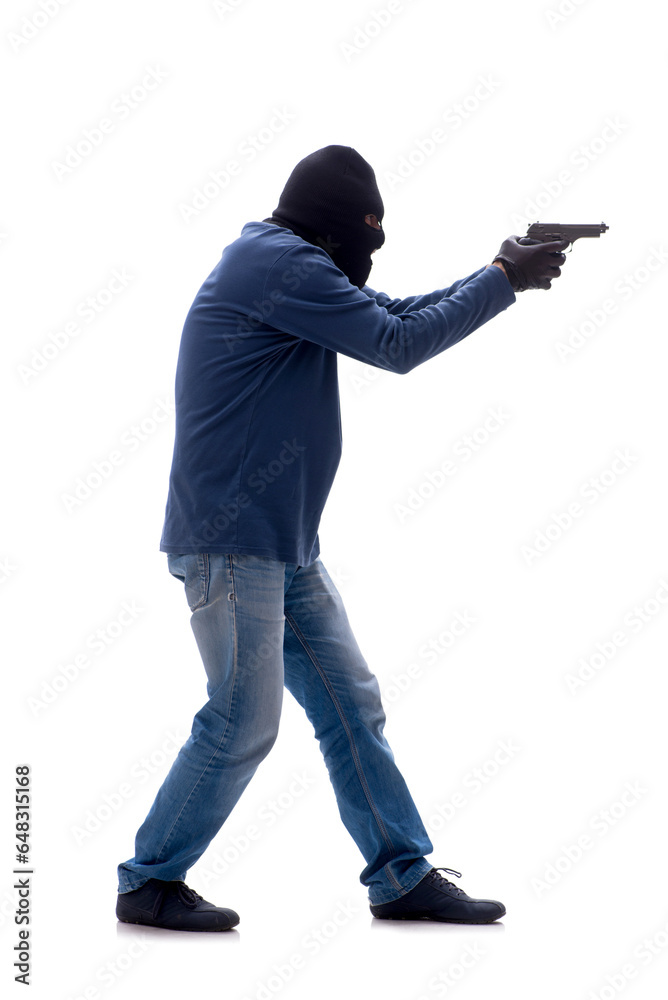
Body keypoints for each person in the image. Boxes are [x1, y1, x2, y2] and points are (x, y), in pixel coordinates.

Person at [115, 145, 567, 931]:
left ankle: (401, 875)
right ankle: (148, 879)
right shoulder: (276, 265)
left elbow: (389, 316)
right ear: (334, 227)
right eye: (368, 232)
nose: (371, 251)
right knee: (242, 718)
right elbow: (396, 347)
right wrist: (503, 282)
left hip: (284, 545)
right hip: (234, 543)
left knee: (351, 706)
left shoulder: (289, 264)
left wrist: (498, 270)